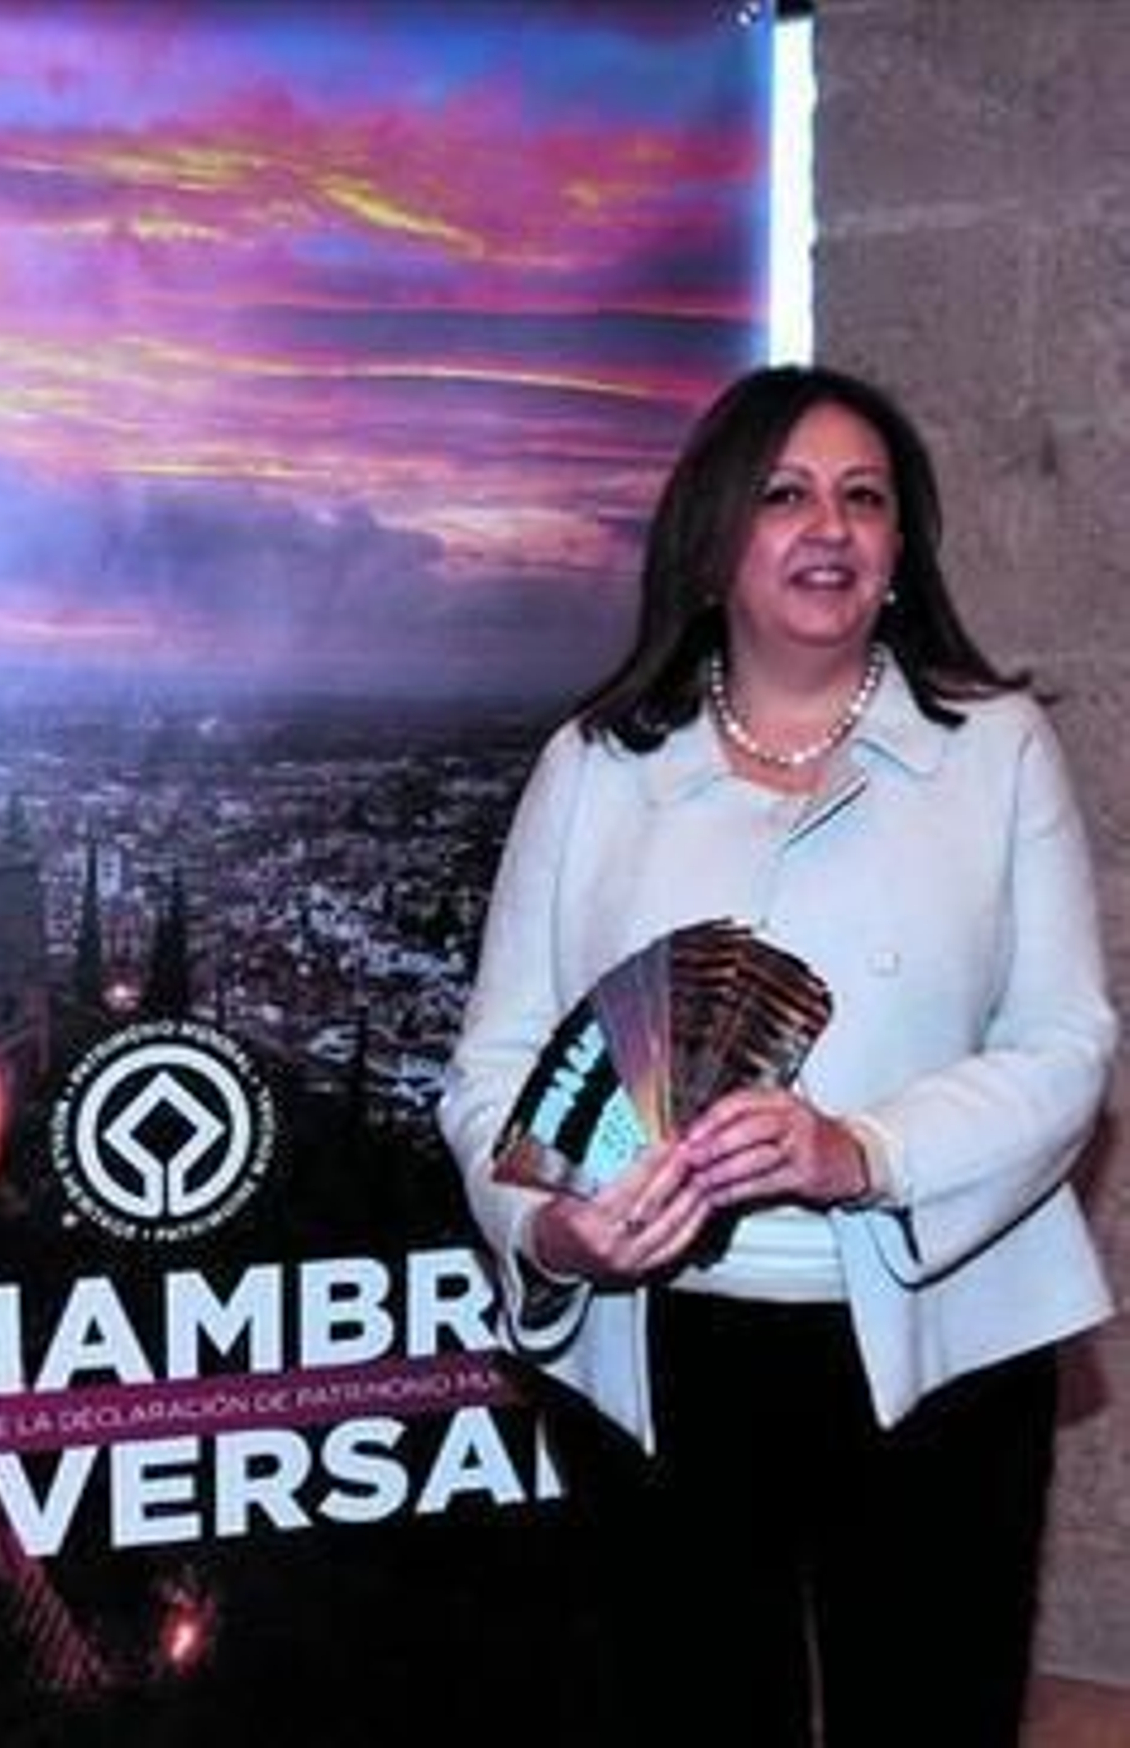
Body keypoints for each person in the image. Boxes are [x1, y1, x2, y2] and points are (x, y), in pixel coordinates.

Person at [438, 363, 1117, 1747]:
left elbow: (1068, 1047)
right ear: (712, 538)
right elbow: (492, 1070)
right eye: (787, 493)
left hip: (943, 1347)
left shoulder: (995, 749)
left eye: (865, 499)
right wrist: (556, 1232)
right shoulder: (594, 766)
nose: (832, 527)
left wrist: (861, 1152)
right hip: (667, 1349)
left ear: (900, 546)